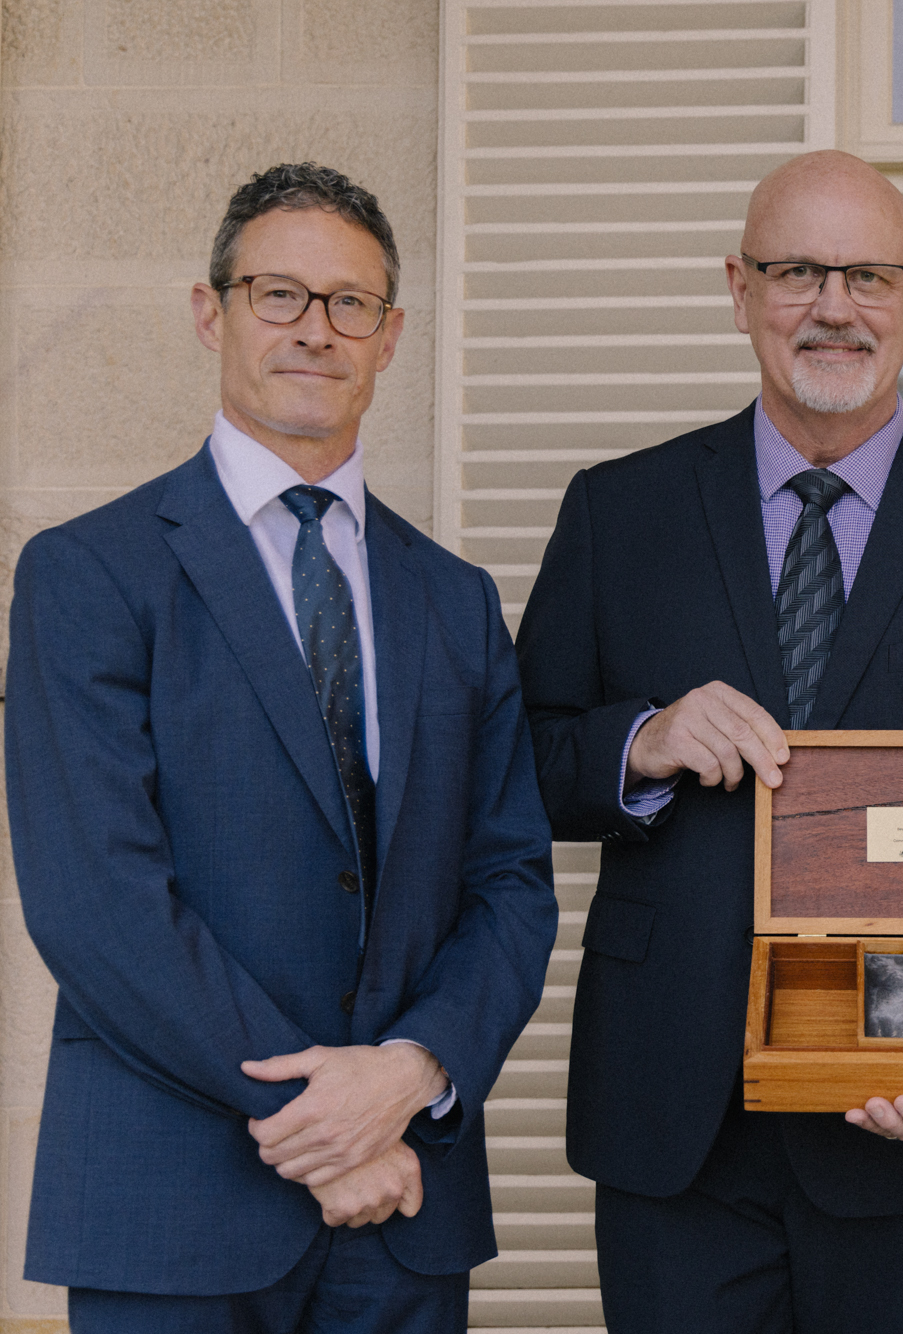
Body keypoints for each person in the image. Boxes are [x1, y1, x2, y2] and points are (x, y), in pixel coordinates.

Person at [515, 149, 903, 1333]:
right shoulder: (617, 509)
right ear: (739, 289)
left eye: (867, 275)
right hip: (674, 1115)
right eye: (797, 271)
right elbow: (513, 765)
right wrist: (639, 740)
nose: (834, 306)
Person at [6, 162, 558, 1332]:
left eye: (349, 302)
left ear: (390, 335)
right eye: (279, 295)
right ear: (213, 313)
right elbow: (98, 899)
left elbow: (510, 881)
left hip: (407, 1207)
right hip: (175, 1204)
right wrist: (326, 1124)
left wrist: (408, 1072)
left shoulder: (456, 601)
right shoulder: (89, 573)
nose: (316, 329)